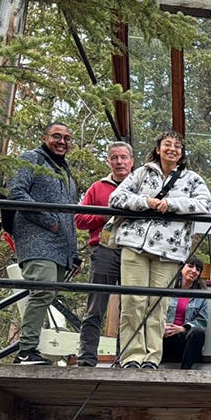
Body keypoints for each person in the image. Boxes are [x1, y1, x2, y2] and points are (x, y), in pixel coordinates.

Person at [109, 131, 211, 369]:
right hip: (135, 245)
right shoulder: (142, 173)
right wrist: (146, 202)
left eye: (178, 146)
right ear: (158, 149)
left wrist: (173, 204)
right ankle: (131, 356)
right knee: (134, 300)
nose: (172, 149)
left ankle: (152, 356)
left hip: (169, 250)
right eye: (167, 144)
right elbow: (116, 198)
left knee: (158, 304)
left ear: (182, 153)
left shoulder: (192, 179)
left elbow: (206, 203)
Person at [7, 122, 79, 365]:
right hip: (36, 239)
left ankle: (30, 349)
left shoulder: (65, 170)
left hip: (61, 246)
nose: (62, 141)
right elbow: (16, 193)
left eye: (67, 138)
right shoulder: (31, 159)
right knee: (43, 291)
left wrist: (73, 252)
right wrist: (49, 221)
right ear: (44, 137)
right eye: (56, 136)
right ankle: (26, 350)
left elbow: (69, 214)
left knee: (47, 294)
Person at [74, 141, 134, 367]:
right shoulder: (98, 187)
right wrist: (106, 214)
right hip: (104, 250)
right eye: (114, 158)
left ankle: (126, 359)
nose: (119, 162)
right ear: (109, 161)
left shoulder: (141, 185)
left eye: (123, 157)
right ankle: (87, 358)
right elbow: (79, 220)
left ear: (131, 161)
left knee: (131, 307)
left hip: (133, 252)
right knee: (96, 306)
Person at [162, 257, 209, 369]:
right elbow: (155, 312)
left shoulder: (201, 295)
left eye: (198, 269)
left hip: (185, 341)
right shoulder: (166, 288)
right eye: (190, 266)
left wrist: (183, 329)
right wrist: (161, 327)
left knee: (198, 333)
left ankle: (185, 371)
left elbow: (202, 322)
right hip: (165, 337)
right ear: (181, 267)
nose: (194, 271)